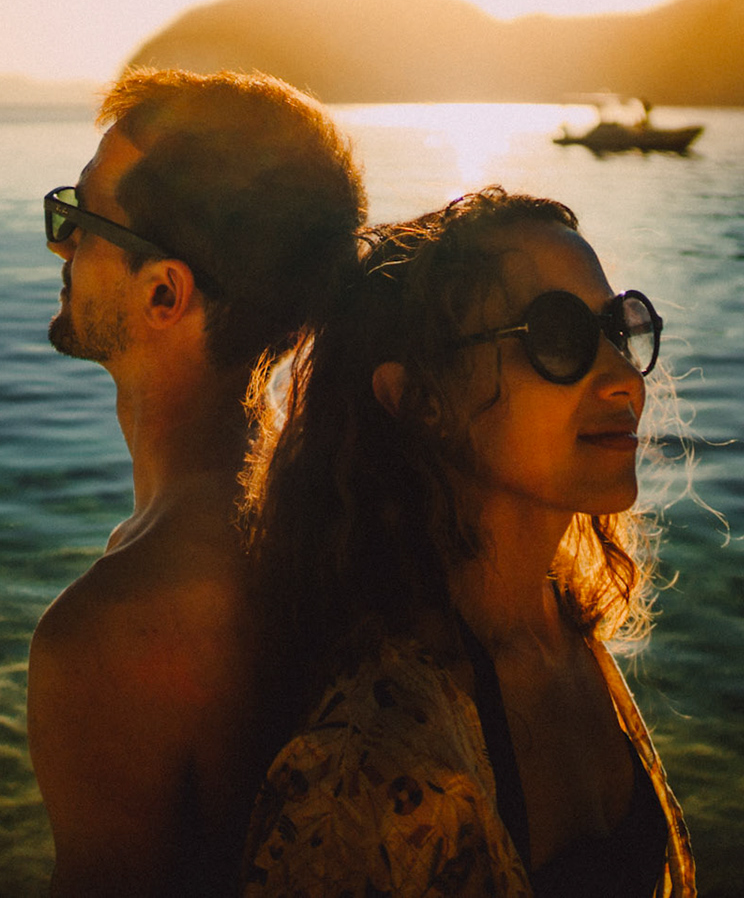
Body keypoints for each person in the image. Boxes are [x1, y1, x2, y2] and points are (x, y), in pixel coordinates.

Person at [240, 187, 696, 897]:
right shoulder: (371, 765)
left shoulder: (561, 632)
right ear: (421, 402)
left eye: (618, 328)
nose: (622, 382)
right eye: (557, 336)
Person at [27, 68, 366, 897]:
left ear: (165, 292)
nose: (61, 243)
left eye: (80, 216)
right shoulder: (340, 513)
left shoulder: (114, 634)